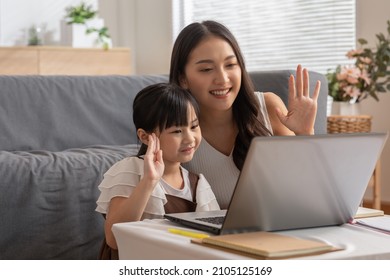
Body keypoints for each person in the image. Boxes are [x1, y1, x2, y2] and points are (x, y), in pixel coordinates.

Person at [169, 20, 321, 209]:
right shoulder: (173, 132)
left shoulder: (268, 108)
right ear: (183, 78)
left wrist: (305, 134)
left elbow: (307, 190)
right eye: (207, 69)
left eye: (231, 65)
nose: (223, 79)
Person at [95, 83, 220, 259]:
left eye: (194, 127)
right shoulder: (131, 169)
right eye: (177, 130)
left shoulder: (198, 184)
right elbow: (114, 239)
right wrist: (149, 181)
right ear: (145, 137)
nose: (190, 138)